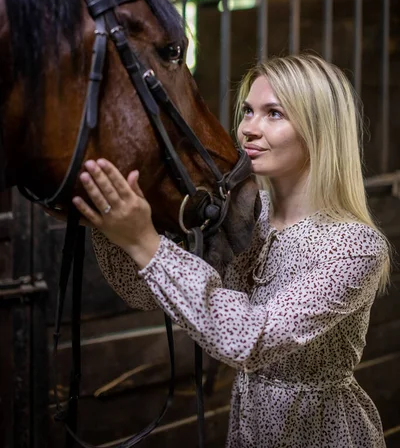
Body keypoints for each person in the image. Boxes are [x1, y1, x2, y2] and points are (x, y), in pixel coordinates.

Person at [72, 53, 390, 448]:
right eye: (248, 111)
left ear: (319, 129)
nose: (248, 130)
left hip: (324, 432)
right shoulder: (247, 217)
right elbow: (145, 292)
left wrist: (145, 242)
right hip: (249, 430)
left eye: (274, 114)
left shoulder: (353, 247)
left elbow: (250, 339)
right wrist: (112, 226)